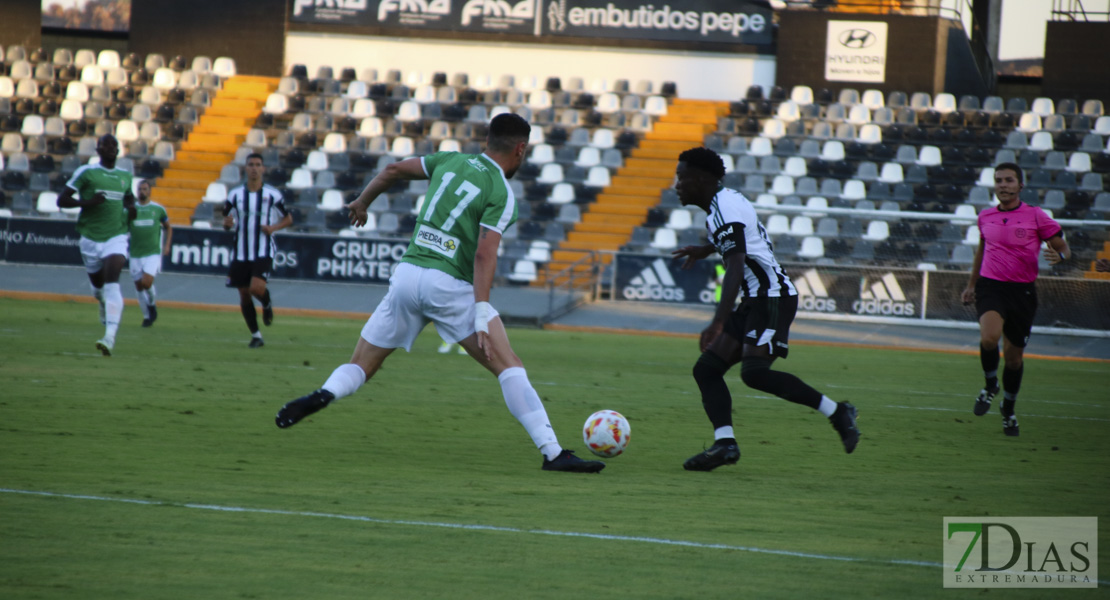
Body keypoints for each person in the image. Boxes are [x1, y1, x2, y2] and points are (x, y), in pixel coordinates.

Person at [274, 113, 604, 473]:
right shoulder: (502, 192)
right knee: (510, 367)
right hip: (448, 286)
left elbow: (394, 170)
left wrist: (362, 202)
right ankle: (553, 452)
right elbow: (483, 253)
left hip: (407, 275)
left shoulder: (450, 159)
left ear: (487, 141)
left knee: (361, 364)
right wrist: (481, 309)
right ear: (520, 149)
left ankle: (325, 393)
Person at [670, 147, 859, 471]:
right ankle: (725, 443)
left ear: (700, 178)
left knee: (754, 373)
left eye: (681, 177)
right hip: (756, 299)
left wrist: (717, 322)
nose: (676, 184)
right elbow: (742, 241)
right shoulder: (726, 201)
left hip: (772, 297)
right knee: (707, 370)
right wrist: (705, 249)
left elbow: (736, 264)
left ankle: (837, 411)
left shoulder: (723, 207)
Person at [960, 162, 1070, 437]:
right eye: (998, 180)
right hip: (991, 287)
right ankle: (989, 386)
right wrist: (972, 284)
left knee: (1013, 360)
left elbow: (1063, 246)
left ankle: (1008, 410)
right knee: (989, 337)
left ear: (1020, 185)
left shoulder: (1036, 216)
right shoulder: (985, 216)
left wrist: (1061, 257)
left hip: (1022, 292)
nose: (1003, 185)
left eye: (1009, 180)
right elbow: (981, 252)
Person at [56, 133, 135, 356]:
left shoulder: (125, 176)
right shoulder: (86, 173)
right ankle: (101, 302)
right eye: (106, 145)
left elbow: (128, 197)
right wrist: (88, 202)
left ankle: (109, 337)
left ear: (118, 151)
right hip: (90, 238)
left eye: (114, 145)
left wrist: (131, 208)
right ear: (98, 150)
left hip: (116, 237)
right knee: (99, 290)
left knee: (112, 284)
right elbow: (62, 200)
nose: (111, 148)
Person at [222, 153, 293, 348]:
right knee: (244, 294)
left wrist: (273, 228)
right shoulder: (235, 195)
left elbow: (288, 219)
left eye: (258, 165)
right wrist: (227, 224)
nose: (254, 168)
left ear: (263, 169)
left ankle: (266, 302)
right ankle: (256, 336)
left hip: (263, 249)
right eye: (251, 164)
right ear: (246, 168)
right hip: (240, 251)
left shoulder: (273, 195)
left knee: (256, 289)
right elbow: (227, 220)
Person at [127, 180, 171, 327]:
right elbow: (124, 228)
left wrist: (167, 245)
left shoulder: (158, 209)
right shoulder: (131, 210)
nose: (142, 192)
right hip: (135, 253)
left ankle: (151, 304)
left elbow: (168, 227)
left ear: (150, 191)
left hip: (152, 252)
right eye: (140, 189)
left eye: (145, 189)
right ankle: (147, 316)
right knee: (138, 286)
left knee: (146, 282)